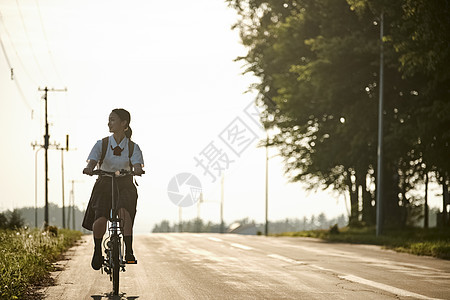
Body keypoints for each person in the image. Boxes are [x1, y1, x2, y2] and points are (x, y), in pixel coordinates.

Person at [82, 108, 144, 270]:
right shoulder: (101, 144)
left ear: (124, 123)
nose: (109, 123)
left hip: (125, 184)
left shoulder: (132, 147)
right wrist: (89, 168)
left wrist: (137, 169)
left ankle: (129, 251)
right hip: (104, 183)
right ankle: (97, 251)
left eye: (113, 120)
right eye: (109, 119)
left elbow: (137, 165)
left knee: (124, 212)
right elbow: (92, 162)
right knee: (100, 218)